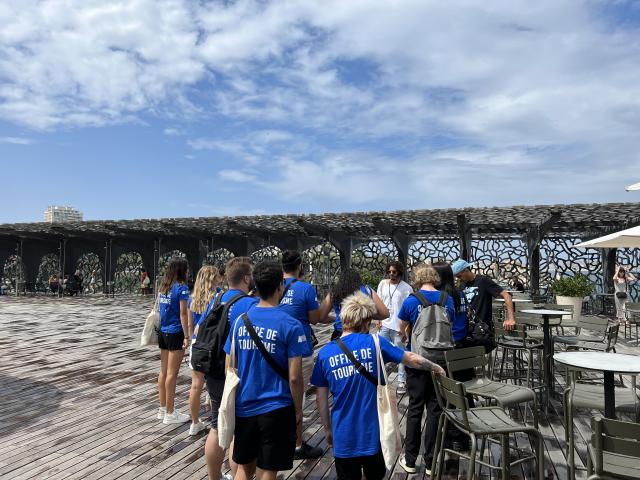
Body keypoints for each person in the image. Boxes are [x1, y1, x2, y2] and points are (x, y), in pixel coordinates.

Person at [312, 292, 444, 480]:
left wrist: (327, 429)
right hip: (374, 435)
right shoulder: (375, 343)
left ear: (343, 320)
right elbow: (411, 359)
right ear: (366, 321)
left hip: (343, 435)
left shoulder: (325, 354)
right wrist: (436, 367)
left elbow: (321, 399)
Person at [224, 261, 310, 480]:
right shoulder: (290, 325)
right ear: (280, 286)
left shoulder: (240, 322)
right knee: (268, 468)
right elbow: (294, 377)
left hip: (245, 405)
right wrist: (298, 410)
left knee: (244, 466)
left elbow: (229, 366)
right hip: (276, 406)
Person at [397, 263, 456, 475]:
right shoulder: (446, 299)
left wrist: (408, 334)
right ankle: (431, 462)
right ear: (435, 278)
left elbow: (402, 328)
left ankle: (411, 460)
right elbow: (453, 323)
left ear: (418, 279)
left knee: (414, 409)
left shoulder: (412, 300)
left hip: (418, 362)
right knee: (435, 410)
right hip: (441, 362)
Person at [204, 257, 258, 480]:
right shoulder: (250, 304)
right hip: (237, 374)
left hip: (213, 370)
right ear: (246, 278)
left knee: (217, 426)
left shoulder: (216, 299)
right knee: (239, 431)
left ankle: (214, 477)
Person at [278, 250, 323, 459]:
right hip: (300, 348)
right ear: (300, 267)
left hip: (275, 348)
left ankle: (279, 438)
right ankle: (296, 444)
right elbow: (314, 319)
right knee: (298, 397)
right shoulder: (305, 288)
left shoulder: (273, 285)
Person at [187, 265, 221, 436]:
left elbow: (190, 325)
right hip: (212, 345)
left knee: (195, 385)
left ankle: (194, 423)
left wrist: (188, 340)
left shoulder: (191, 299)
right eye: (217, 276)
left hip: (196, 345)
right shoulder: (218, 297)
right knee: (215, 382)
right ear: (212, 279)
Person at [157, 256, 191, 424]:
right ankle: (170, 412)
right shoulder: (182, 288)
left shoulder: (164, 286)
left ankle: (162, 408)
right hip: (176, 331)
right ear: (181, 270)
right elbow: (183, 313)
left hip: (163, 331)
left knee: (163, 372)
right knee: (172, 373)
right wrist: (187, 335)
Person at [318, 268, 389, 340]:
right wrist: (367, 315)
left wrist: (336, 318)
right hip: (362, 335)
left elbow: (321, 317)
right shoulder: (367, 290)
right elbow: (385, 314)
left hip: (341, 335)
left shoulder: (334, 292)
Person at [376, 260, 413, 395]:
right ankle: (379, 378)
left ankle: (402, 380)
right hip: (384, 324)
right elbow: (378, 301)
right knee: (379, 352)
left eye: (394, 272)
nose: (391, 274)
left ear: (400, 272)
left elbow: (408, 309)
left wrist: (405, 328)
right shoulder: (382, 284)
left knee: (400, 354)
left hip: (398, 326)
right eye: (389, 271)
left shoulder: (406, 288)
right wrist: (378, 319)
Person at [452, 259, 516, 333]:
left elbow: (507, 295)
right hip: (466, 328)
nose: (459, 279)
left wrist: (510, 319)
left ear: (466, 270)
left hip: (482, 329)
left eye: (459, 276)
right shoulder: (462, 284)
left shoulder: (483, 281)